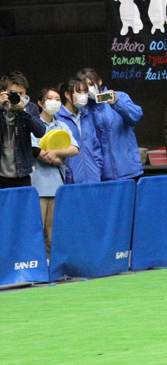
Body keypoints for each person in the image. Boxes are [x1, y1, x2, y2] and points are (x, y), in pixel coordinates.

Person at [30, 88, 79, 258]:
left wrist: (58, 154)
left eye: (58, 99)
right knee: (37, 229)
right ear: (41, 103)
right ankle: (38, 265)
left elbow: (74, 148)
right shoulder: (33, 124)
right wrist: (53, 158)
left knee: (54, 231)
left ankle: (53, 266)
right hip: (37, 187)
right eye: (50, 98)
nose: (54, 102)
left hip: (57, 187)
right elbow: (35, 150)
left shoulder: (62, 125)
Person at [77, 68, 143, 181]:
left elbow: (136, 117)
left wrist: (117, 103)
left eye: (91, 84)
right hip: (102, 173)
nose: (90, 89)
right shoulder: (84, 107)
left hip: (128, 169)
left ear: (100, 81)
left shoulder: (120, 96)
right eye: (85, 87)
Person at [0, 70, 46, 188]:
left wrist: (22, 111)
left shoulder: (30, 108)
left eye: (21, 93)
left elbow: (40, 132)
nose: (18, 97)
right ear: (3, 92)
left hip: (22, 173)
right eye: (14, 93)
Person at [56, 78, 103, 183]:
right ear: (67, 94)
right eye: (79, 92)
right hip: (70, 180)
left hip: (93, 178)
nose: (83, 95)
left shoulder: (87, 115)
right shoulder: (57, 117)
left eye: (85, 92)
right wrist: (67, 173)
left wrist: (97, 169)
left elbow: (95, 146)